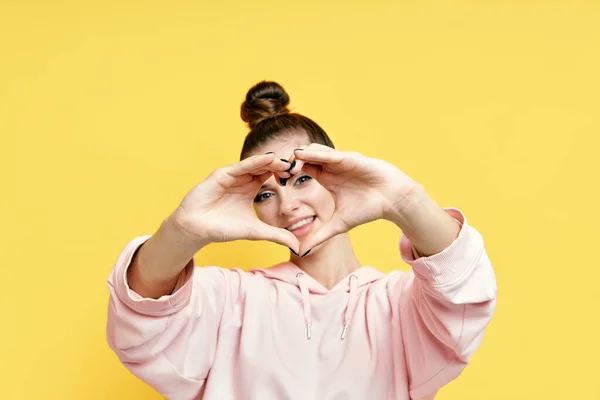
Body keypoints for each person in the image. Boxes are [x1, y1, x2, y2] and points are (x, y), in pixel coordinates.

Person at [106, 81, 497, 400]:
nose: (287, 205)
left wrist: (404, 200)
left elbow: (463, 293)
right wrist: (182, 230)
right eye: (264, 194)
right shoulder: (230, 301)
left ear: (336, 173)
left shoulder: (399, 305)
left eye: (302, 179)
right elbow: (138, 321)